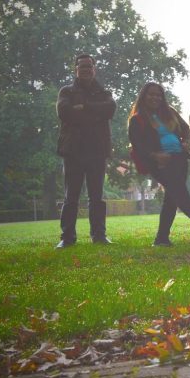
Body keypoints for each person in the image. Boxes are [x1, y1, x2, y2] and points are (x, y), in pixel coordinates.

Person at [128, 83, 190, 246]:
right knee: (177, 189)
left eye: (158, 95)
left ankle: (161, 239)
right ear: (144, 96)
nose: (155, 98)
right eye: (151, 94)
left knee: (172, 197)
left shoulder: (169, 112)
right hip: (159, 162)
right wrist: (155, 155)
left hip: (179, 157)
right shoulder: (137, 119)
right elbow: (137, 145)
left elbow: (186, 128)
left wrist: (187, 141)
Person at [55, 53, 115, 248]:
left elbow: (110, 109)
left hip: (97, 150)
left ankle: (99, 235)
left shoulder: (104, 92)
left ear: (94, 69)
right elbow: (64, 112)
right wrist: (95, 114)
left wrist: (84, 107)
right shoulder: (66, 91)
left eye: (89, 67)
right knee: (71, 196)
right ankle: (67, 238)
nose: (86, 70)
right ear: (76, 69)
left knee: (96, 197)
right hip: (73, 150)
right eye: (82, 67)